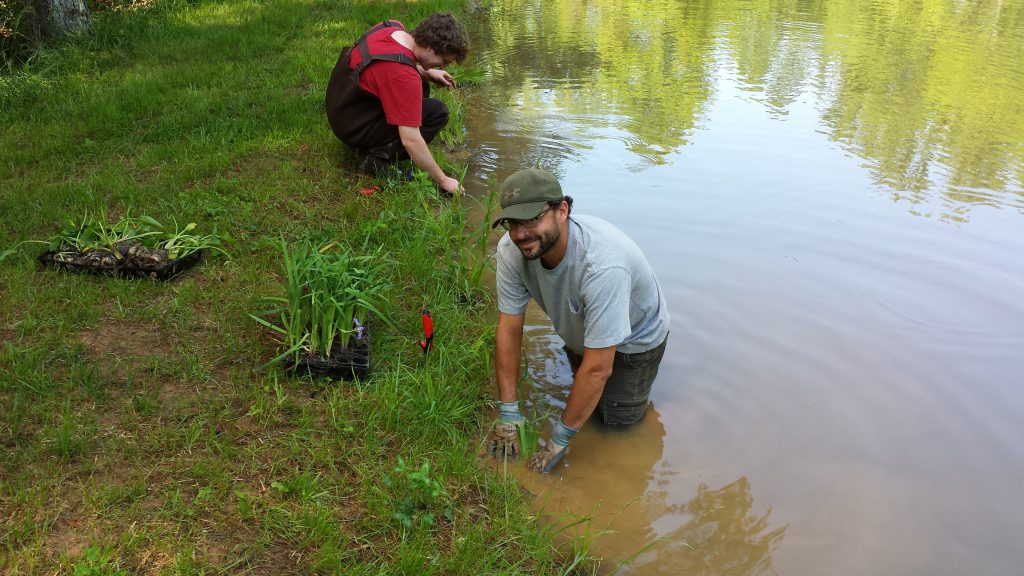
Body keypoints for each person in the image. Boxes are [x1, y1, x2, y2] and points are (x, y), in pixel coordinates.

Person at [488, 168, 670, 473]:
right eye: (513, 223)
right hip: (583, 324)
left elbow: (599, 368)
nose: (521, 233)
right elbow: (508, 329)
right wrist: (508, 413)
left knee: (617, 428)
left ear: (562, 210)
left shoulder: (602, 265)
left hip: (636, 338)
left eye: (532, 219)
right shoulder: (510, 251)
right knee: (584, 389)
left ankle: (664, 411)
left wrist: (559, 440)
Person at [325, 12, 469, 195]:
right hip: (355, 129)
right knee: (437, 112)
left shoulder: (391, 28)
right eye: (444, 61)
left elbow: (383, 65)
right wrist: (443, 180)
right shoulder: (404, 76)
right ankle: (376, 158)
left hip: (344, 108)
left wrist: (426, 72)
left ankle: (375, 147)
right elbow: (411, 140)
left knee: (420, 85)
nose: (443, 67)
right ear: (431, 47)